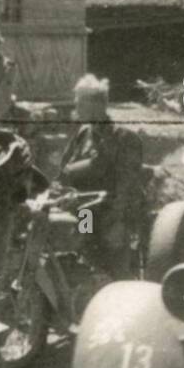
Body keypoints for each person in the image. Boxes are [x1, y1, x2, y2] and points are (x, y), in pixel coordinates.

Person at [59, 74, 145, 278]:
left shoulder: (123, 138)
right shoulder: (83, 134)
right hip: (85, 212)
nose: (75, 106)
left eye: (80, 101)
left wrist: (117, 222)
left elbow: (127, 184)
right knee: (86, 261)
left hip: (112, 216)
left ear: (96, 104)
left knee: (118, 274)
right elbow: (64, 172)